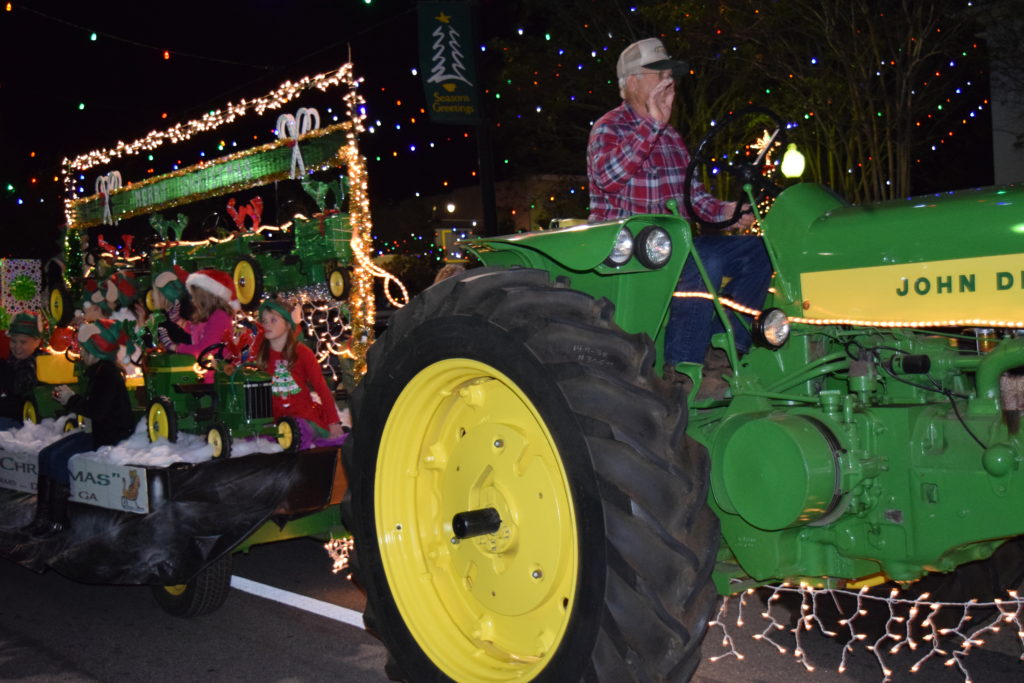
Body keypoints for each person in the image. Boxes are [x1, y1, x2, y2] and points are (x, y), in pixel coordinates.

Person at [587, 37, 772, 393]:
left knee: (758, 252)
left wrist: (729, 213)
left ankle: (724, 350)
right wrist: (651, 126)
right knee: (703, 262)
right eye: (657, 72)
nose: (668, 78)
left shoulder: (671, 137)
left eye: (669, 72)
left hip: (676, 246)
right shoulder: (608, 128)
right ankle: (682, 368)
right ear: (632, 82)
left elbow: (694, 200)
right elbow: (609, 178)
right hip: (630, 254)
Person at [22, 319, 135, 538]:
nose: (80, 352)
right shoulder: (98, 372)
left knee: (57, 458)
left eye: (83, 347)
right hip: (95, 432)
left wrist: (71, 399)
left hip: (108, 436)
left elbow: (98, 411)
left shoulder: (108, 374)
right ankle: (43, 517)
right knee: (46, 454)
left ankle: (57, 519)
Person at [255, 298, 346, 450]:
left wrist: (334, 422)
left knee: (302, 431)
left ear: (288, 324)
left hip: (302, 415)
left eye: (273, 320)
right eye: (264, 321)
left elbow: (321, 388)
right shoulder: (261, 354)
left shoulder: (302, 352)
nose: (267, 325)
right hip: (275, 419)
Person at [157, 268, 238, 381]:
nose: (193, 300)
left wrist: (175, 347)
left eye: (195, 296)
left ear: (205, 297)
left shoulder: (219, 315)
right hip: (207, 371)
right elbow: (198, 331)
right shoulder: (211, 314)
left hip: (216, 375)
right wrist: (178, 321)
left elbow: (205, 348)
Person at [0, 312, 46, 429]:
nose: (17, 347)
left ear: (37, 342)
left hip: (32, 428)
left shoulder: (46, 367)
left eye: (23, 342)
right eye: (13, 341)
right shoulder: (6, 365)